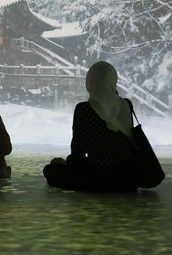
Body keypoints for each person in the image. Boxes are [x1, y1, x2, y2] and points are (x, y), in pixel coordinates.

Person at [43, 61, 140, 192]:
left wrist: (67, 165)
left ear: (90, 82)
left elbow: (78, 151)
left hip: (96, 178)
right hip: (127, 178)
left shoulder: (84, 109)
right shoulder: (126, 105)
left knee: (50, 169)